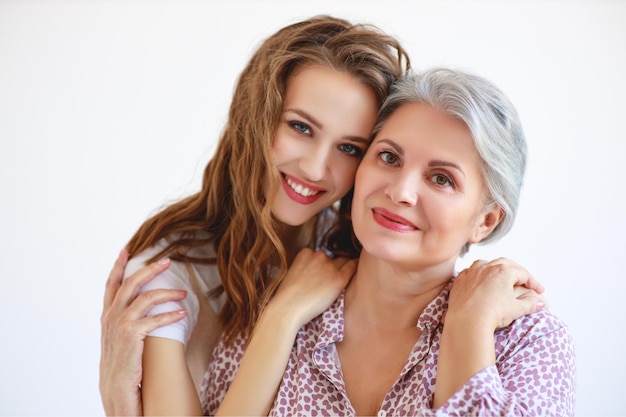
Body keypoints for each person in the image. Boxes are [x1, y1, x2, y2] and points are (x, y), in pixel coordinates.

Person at [201, 68, 576, 416]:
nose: (400, 192)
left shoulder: (529, 343)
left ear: (486, 221)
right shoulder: (270, 304)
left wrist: (468, 324)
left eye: (441, 179)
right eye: (389, 157)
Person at [100, 14, 411, 416]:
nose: (316, 169)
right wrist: (283, 315)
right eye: (301, 127)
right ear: (256, 116)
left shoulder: (354, 247)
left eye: (349, 148)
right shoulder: (170, 268)